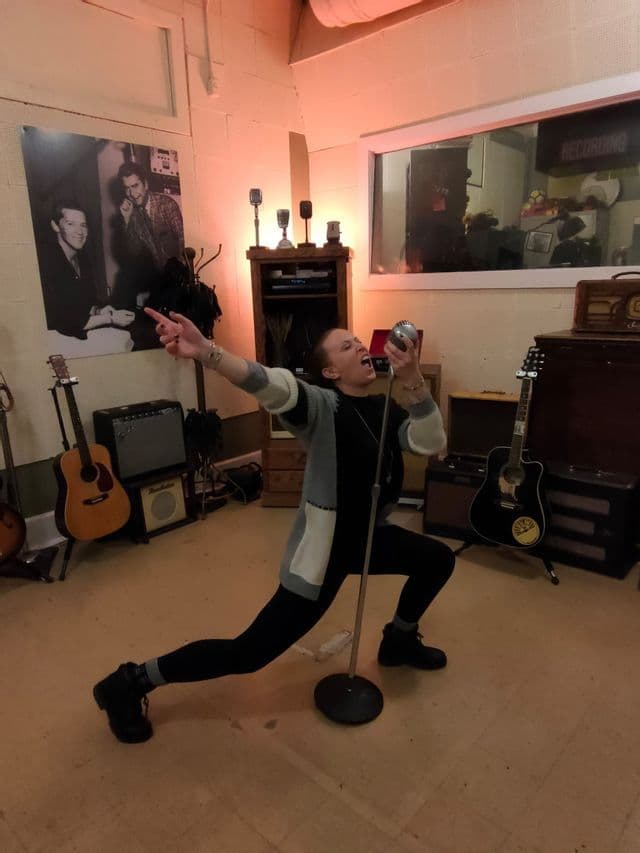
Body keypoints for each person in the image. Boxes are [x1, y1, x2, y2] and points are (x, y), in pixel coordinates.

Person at [93, 308, 455, 744]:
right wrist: (207, 352)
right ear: (329, 370)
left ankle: (398, 639)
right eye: (346, 345)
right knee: (248, 653)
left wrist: (413, 377)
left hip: (368, 540)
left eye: (359, 341)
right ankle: (130, 682)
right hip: (325, 556)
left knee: (436, 559)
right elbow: (270, 383)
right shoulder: (321, 406)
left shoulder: (384, 408)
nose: (360, 346)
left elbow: (432, 444)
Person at [39, 200, 135, 351]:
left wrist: (99, 310)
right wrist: (109, 318)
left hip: (77, 332)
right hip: (55, 339)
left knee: (127, 339)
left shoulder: (83, 260)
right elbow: (65, 320)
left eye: (83, 225)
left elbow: (85, 303)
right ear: (55, 226)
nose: (80, 231)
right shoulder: (46, 262)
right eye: (71, 224)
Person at [117, 162, 184, 307]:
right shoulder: (131, 215)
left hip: (180, 280)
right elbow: (132, 252)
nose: (132, 194)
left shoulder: (166, 205)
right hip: (158, 283)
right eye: (127, 189)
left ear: (145, 184)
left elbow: (183, 242)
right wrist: (127, 220)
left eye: (135, 186)